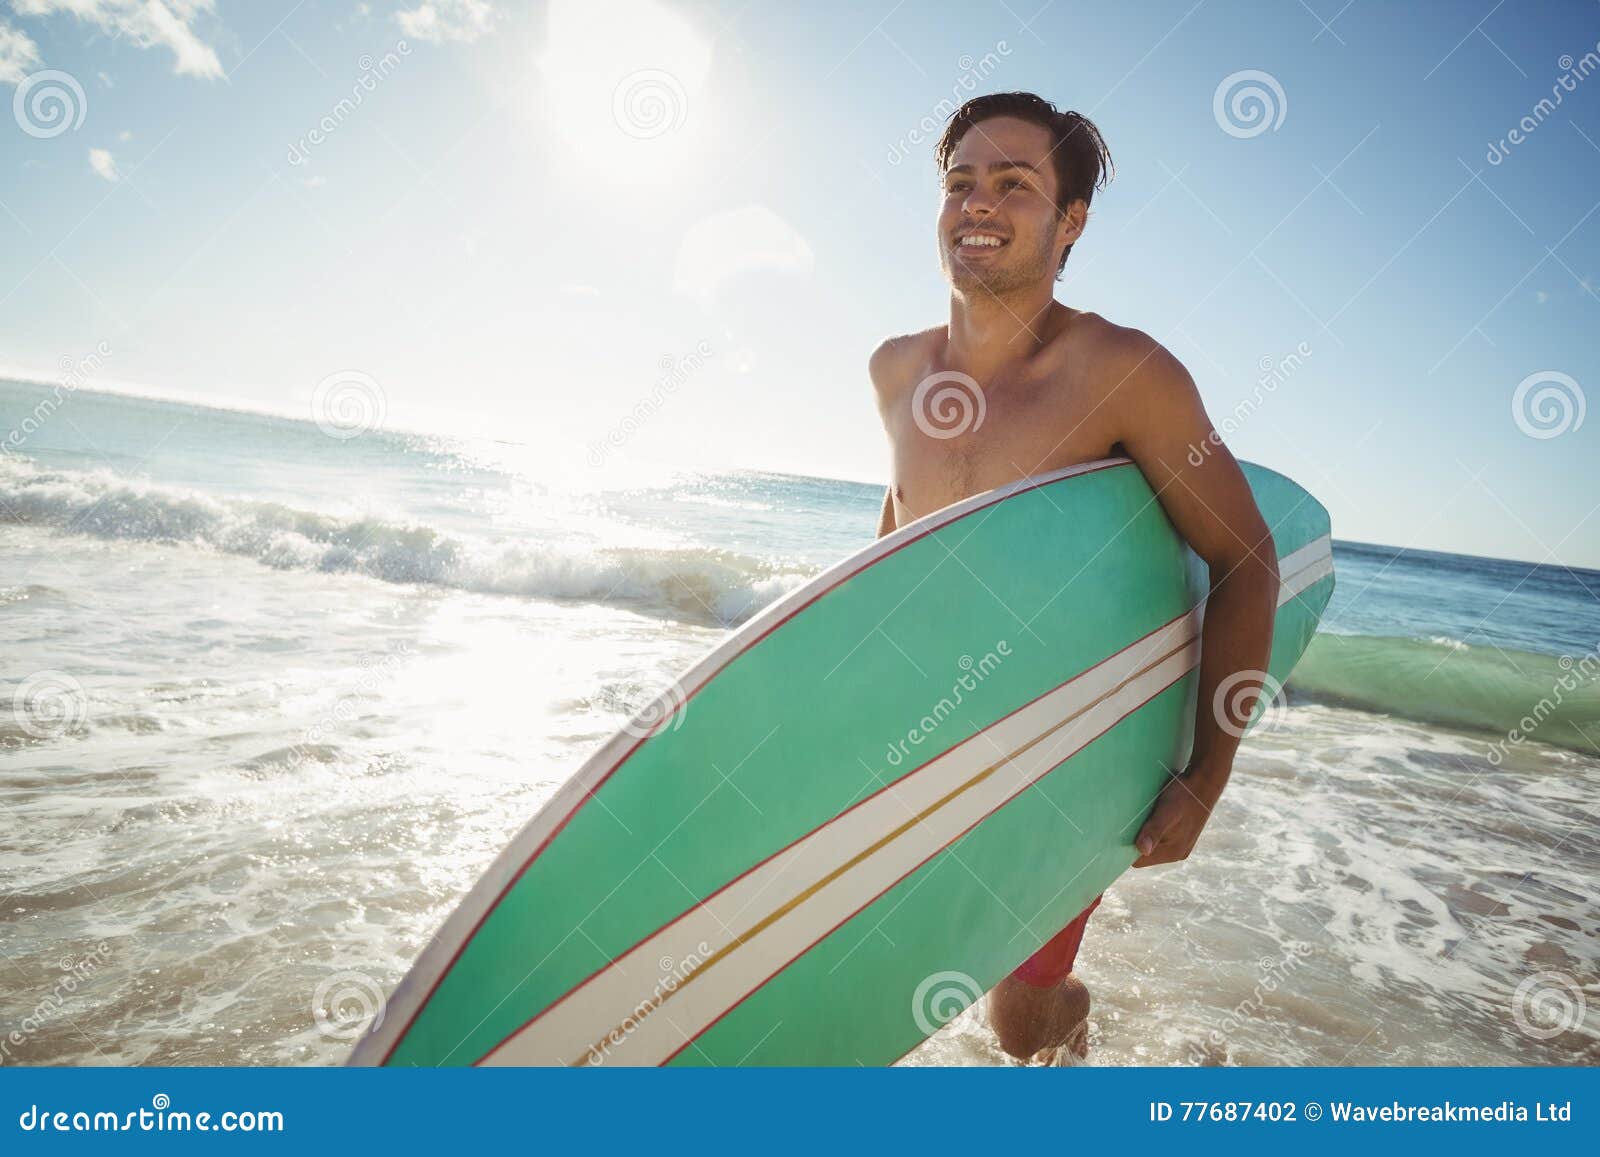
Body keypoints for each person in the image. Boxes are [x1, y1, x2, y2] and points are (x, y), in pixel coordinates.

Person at [870, 92, 1280, 1064]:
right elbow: (893, 545)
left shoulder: (1123, 372)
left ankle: (1072, 1046)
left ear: (1070, 222)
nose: (978, 202)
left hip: (1061, 754)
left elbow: (1245, 558)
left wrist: (1206, 773)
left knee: (1019, 1015)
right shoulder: (894, 369)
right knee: (875, 970)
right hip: (927, 735)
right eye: (960, 181)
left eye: (1014, 184)